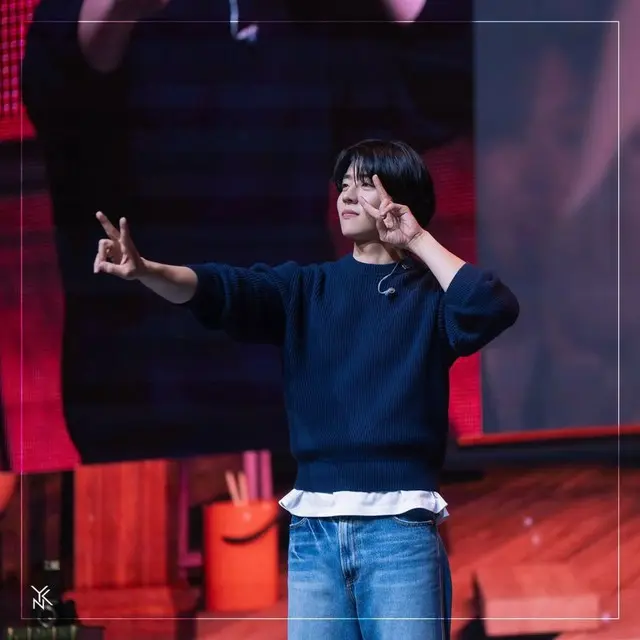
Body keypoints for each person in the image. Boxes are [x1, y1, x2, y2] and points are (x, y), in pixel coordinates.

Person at [93, 138, 519, 639]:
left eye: (364, 185)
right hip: (313, 535)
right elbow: (222, 289)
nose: (346, 196)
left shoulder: (429, 296)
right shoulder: (305, 288)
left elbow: (492, 307)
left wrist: (417, 239)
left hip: (400, 532)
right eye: (343, 185)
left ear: (400, 199)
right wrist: (147, 271)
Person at [20, 0, 473, 464]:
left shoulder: (306, 23)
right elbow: (65, 81)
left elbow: (439, 87)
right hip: (147, 407)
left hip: (304, 396)